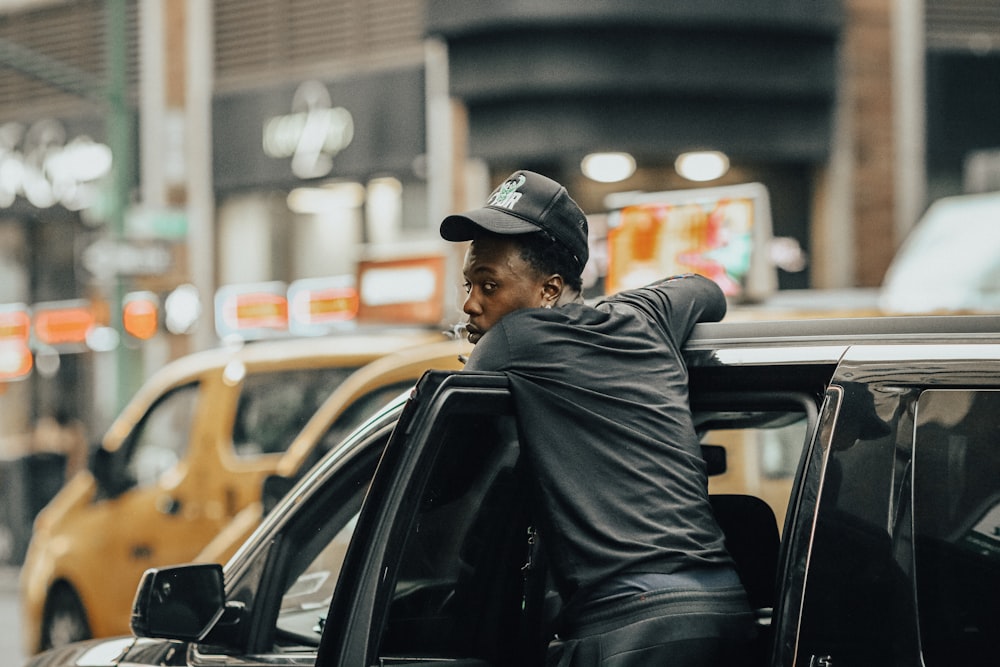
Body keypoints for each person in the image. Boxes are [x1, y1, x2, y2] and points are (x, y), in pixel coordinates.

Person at [440, 170, 757, 666]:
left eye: (488, 285)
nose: (470, 303)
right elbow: (705, 289)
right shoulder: (645, 314)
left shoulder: (513, 338)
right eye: (468, 283)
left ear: (549, 290)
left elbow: (445, 477)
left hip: (630, 630)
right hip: (724, 611)